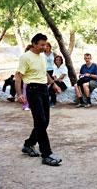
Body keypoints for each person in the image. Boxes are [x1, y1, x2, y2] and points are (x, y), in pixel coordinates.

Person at [15, 33, 62, 166]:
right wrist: (19, 94)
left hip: (43, 89)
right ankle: (46, 154)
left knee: (45, 122)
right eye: (42, 44)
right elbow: (18, 76)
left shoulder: (42, 56)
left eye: (45, 44)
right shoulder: (25, 57)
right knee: (40, 121)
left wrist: (53, 84)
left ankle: (28, 144)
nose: (44, 47)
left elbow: (44, 72)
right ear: (34, 44)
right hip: (33, 90)